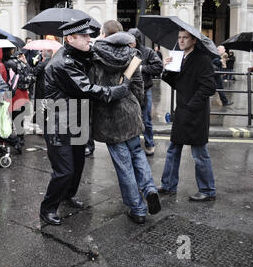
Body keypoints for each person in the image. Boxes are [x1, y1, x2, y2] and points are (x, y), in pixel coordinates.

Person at [40, 18, 134, 225]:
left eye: (89, 35)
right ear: (70, 38)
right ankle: (47, 208)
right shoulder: (62, 63)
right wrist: (118, 90)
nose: (89, 39)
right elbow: (87, 89)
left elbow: (108, 55)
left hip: (77, 118)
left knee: (78, 163)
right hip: (59, 122)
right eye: (84, 36)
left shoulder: (81, 54)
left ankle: (68, 195)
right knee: (64, 170)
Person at [89, 22, 161, 224]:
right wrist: (134, 105)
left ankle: (137, 209)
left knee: (123, 165)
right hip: (129, 112)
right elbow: (138, 86)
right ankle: (149, 189)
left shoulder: (95, 56)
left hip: (108, 117)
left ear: (103, 34)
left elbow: (91, 87)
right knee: (137, 154)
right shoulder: (132, 55)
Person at [160, 29, 217, 202]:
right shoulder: (180, 57)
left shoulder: (202, 59)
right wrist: (167, 69)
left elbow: (209, 87)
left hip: (195, 113)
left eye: (185, 38)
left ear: (193, 40)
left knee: (199, 153)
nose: (181, 40)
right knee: (173, 149)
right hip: (182, 111)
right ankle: (169, 185)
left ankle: (207, 190)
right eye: (179, 37)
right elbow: (177, 83)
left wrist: (192, 105)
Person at [128, 28, 164, 156]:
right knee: (132, 119)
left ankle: (149, 144)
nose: (129, 43)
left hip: (144, 90)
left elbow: (159, 67)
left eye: (132, 40)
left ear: (137, 40)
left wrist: (143, 68)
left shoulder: (147, 52)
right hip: (129, 90)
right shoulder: (126, 51)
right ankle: (135, 145)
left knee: (146, 120)